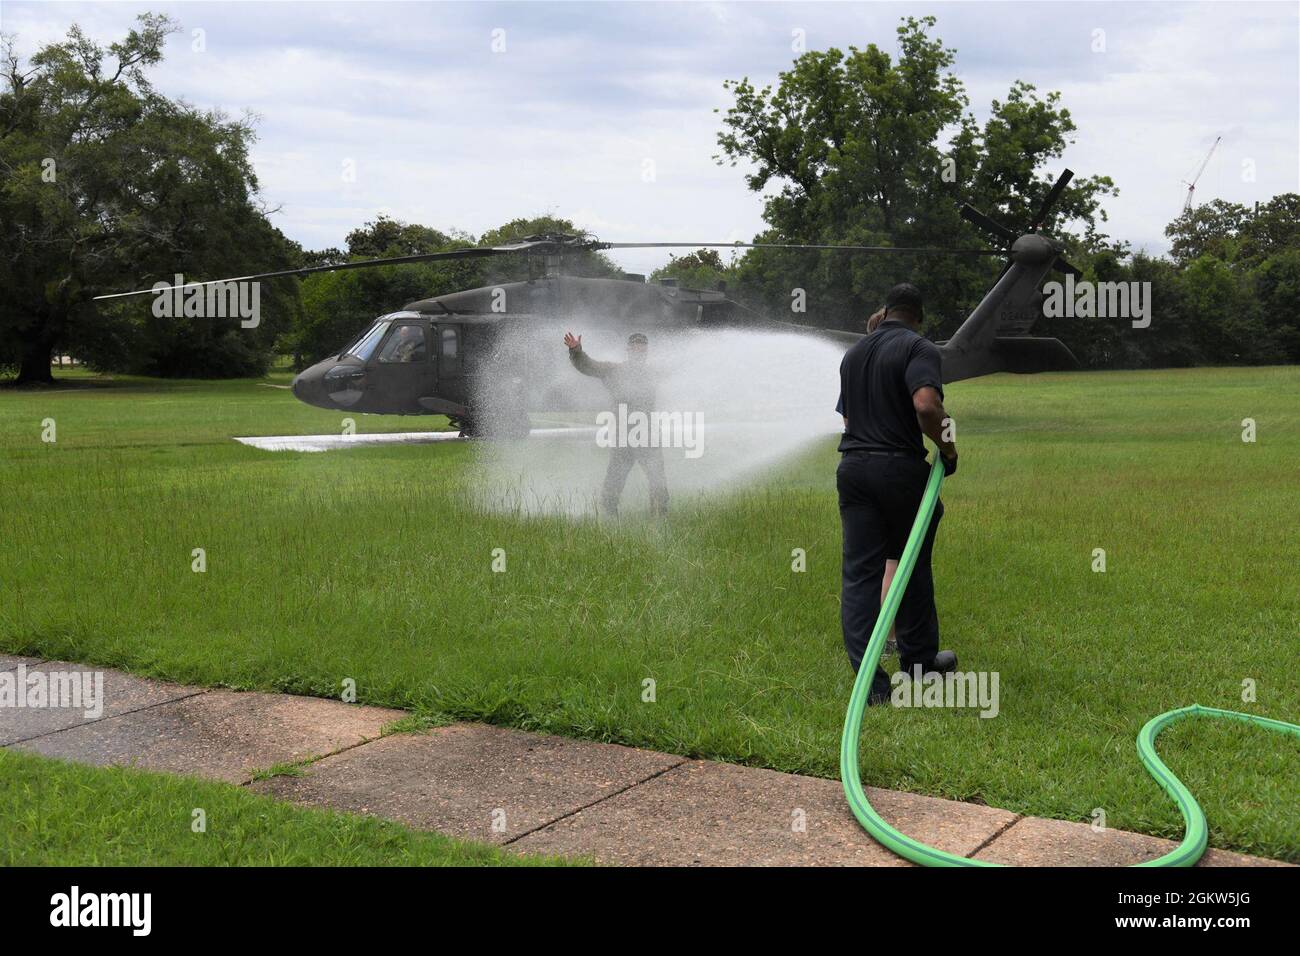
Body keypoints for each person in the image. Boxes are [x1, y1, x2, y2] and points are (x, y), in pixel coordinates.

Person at [835, 283, 959, 703]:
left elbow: (850, 419)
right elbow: (926, 406)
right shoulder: (920, 348)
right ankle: (920, 666)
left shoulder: (853, 353)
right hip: (898, 468)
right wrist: (948, 447)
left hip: (852, 468)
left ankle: (870, 686)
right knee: (912, 566)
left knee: (860, 575)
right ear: (918, 316)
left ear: (886, 310)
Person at [563, 330, 669, 517]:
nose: (639, 354)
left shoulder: (653, 372)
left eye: (642, 351)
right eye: (635, 350)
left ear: (646, 353)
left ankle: (660, 514)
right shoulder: (614, 371)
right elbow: (588, 366)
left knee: (657, 477)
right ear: (628, 350)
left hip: (648, 433)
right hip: (623, 435)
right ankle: (609, 514)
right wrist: (576, 351)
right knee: (615, 477)